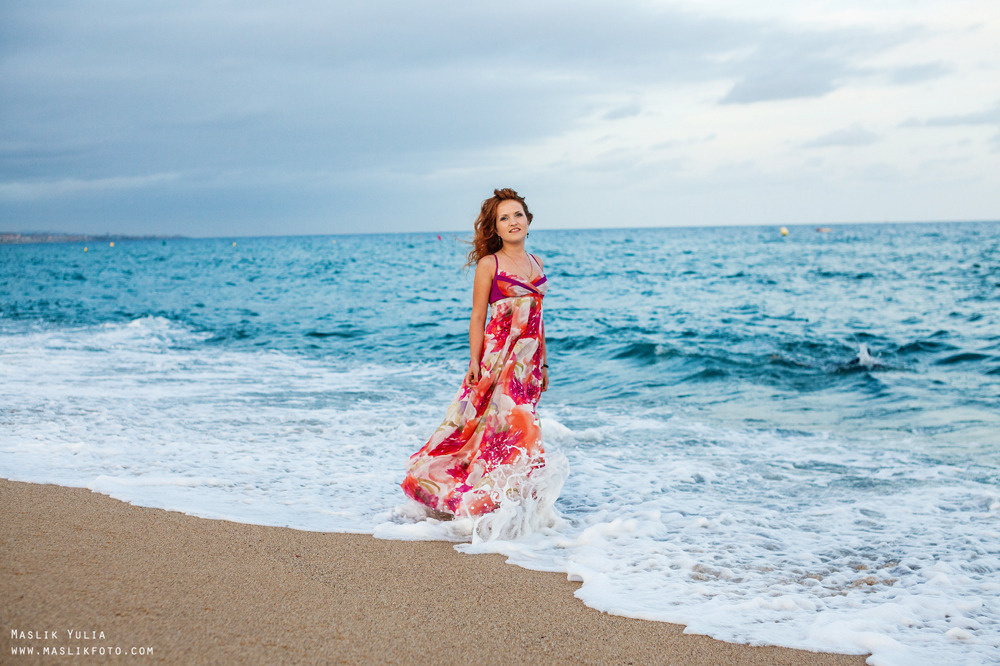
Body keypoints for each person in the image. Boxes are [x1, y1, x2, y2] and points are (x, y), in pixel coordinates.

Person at [401, 188, 550, 518]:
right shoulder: (489, 264)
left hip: (526, 365)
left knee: (510, 430)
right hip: (496, 359)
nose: (513, 222)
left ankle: (512, 503)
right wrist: (474, 360)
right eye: (504, 218)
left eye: (518, 215)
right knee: (485, 426)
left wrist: (543, 363)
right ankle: (478, 498)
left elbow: (538, 316)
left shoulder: (537, 262)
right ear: (495, 228)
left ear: (529, 221)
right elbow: (478, 316)